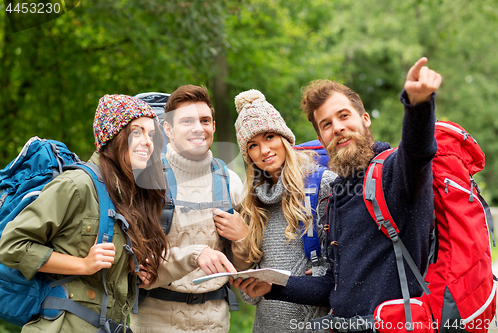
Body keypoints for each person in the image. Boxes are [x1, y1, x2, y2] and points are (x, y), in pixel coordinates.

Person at [232, 57, 442, 332]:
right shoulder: (337, 196)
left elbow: (418, 153)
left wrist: (418, 105)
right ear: (321, 138)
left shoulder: (394, 175)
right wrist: (272, 287)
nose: (338, 127)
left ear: (365, 119)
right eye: (327, 124)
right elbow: (334, 287)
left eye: (344, 116)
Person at [0, 94, 170, 332]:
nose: (147, 141)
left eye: (151, 134)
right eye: (137, 132)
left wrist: (135, 269)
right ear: (113, 136)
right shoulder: (77, 184)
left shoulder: (127, 196)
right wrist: (83, 264)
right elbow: (11, 245)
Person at [130, 85, 251, 333]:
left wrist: (242, 238)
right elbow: (138, 266)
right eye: (187, 121)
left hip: (216, 323)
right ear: (168, 129)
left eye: (205, 120)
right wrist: (195, 254)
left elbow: (242, 267)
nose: (198, 128)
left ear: (214, 127)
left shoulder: (231, 181)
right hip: (155, 322)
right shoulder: (145, 182)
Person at [228, 89, 337, 332]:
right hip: (267, 326)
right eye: (253, 145)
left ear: (285, 139)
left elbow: (346, 259)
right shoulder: (251, 204)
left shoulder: (323, 184)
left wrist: (321, 271)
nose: (264, 150)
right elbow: (252, 296)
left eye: (269, 137)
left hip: (316, 324)